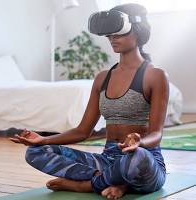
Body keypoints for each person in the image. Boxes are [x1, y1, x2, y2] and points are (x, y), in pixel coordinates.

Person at [10, 3, 169, 199]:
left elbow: (156, 134)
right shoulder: (102, 78)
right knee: (35, 152)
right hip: (108, 160)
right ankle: (110, 181)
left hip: (143, 160)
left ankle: (86, 185)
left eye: (118, 33)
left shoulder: (155, 75)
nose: (112, 38)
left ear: (138, 32)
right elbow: (82, 131)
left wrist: (139, 142)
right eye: (110, 34)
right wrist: (44, 139)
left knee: (137, 158)